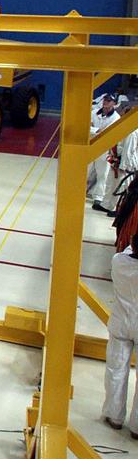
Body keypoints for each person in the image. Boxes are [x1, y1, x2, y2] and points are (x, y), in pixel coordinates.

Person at [104, 241, 138, 436]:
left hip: (121, 322)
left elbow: (128, 250)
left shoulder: (119, 262)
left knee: (116, 369)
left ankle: (114, 416)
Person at [94, 94, 123, 209]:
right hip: (90, 145)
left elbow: (107, 133)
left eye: (109, 101)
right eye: (105, 100)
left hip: (104, 148)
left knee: (102, 173)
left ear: (114, 103)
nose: (106, 102)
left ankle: (99, 196)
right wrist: (97, 130)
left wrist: (96, 131)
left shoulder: (116, 118)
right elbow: (88, 127)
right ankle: (84, 191)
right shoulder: (94, 113)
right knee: (87, 170)